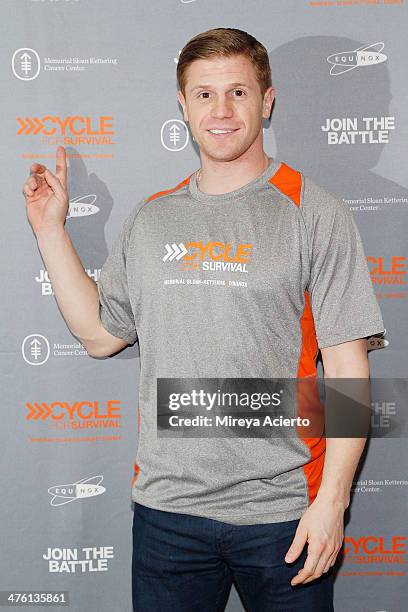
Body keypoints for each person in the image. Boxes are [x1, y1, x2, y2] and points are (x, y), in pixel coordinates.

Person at [22, 27, 384, 612]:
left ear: (267, 102)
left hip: (285, 515)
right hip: (168, 517)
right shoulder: (153, 218)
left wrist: (333, 500)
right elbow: (98, 335)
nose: (221, 111)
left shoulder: (314, 211)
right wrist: (49, 229)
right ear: (183, 107)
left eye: (238, 93)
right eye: (205, 94)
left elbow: (348, 369)